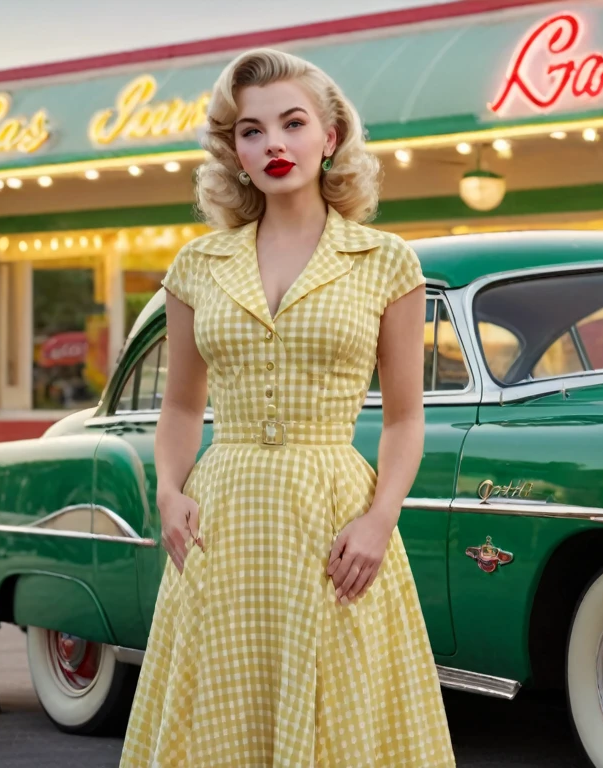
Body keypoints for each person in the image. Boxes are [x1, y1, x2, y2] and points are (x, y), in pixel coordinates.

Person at [118, 48, 456, 767]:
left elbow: (403, 417)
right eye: (251, 130)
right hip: (222, 519)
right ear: (233, 150)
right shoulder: (198, 266)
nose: (274, 143)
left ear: (330, 136)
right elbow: (180, 406)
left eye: (293, 123)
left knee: (341, 714)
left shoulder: (386, 261)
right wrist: (169, 491)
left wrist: (380, 517)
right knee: (218, 713)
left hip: (335, 519)